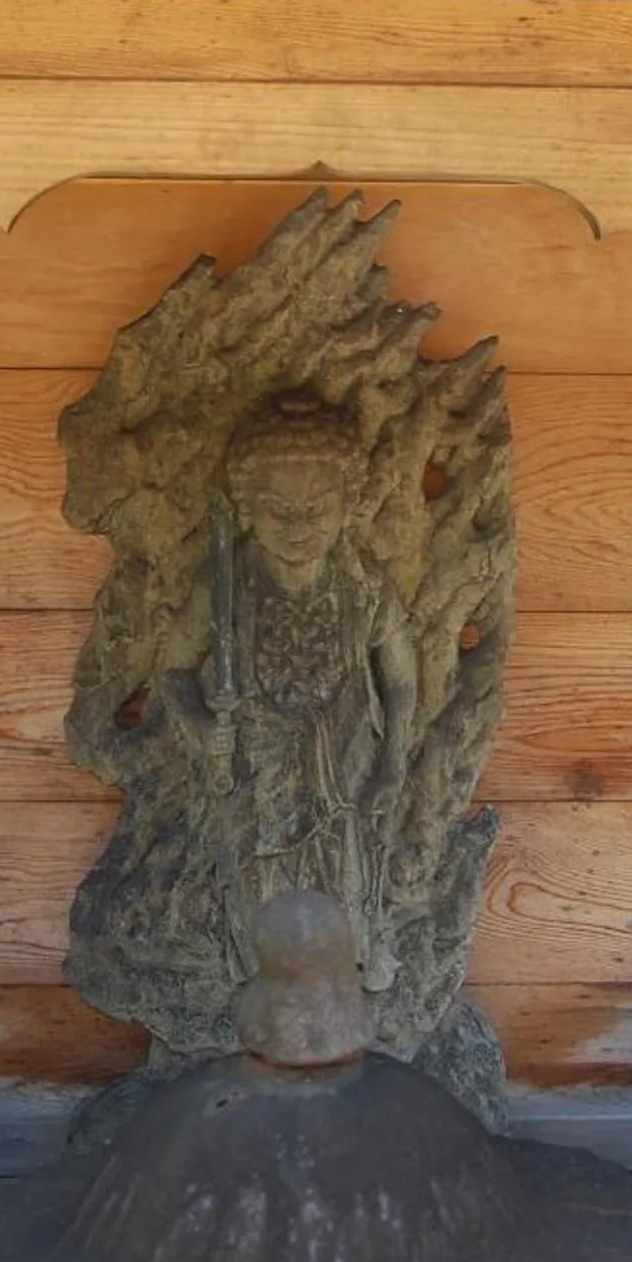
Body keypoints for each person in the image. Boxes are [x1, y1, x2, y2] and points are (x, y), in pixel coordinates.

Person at [196, 400, 419, 983]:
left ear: (349, 505)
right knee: (261, 891)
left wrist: (393, 760)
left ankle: (341, 991)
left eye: (316, 510)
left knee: (344, 890)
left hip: (344, 774)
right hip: (259, 779)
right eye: (279, 510)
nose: (298, 528)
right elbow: (173, 668)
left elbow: (399, 678)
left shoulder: (365, 588)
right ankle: (265, 993)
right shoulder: (227, 590)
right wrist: (202, 730)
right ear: (247, 509)